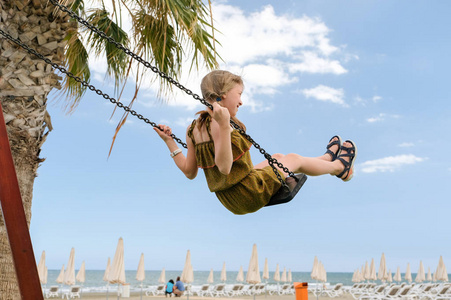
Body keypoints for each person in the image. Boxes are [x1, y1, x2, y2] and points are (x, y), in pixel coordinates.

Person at [154, 70, 357, 215]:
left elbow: (190, 172)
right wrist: (225, 127)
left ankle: (325, 159)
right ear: (223, 95)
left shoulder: (193, 128)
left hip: (230, 198)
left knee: (277, 158)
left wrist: (169, 142)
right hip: (247, 193)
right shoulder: (220, 124)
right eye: (239, 95)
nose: (241, 101)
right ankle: (339, 168)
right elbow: (224, 168)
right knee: (293, 159)